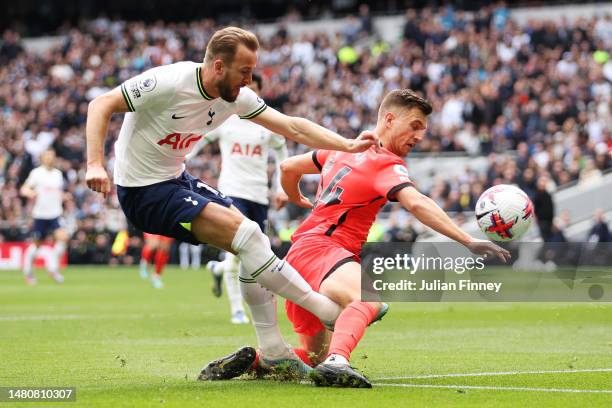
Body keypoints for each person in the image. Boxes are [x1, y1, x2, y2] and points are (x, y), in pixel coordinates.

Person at [85, 27, 377, 371]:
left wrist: (346, 144)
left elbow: (292, 127)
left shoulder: (236, 97)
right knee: (249, 238)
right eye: (244, 72)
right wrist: (94, 164)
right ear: (219, 66)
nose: (249, 80)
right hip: (142, 191)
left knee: (254, 242)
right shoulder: (168, 82)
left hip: (177, 179)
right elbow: (101, 103)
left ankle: (272, 350)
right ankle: (325, 312)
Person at [200, 89, 510, 387]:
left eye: (424, 130)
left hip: (300, 254)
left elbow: (288, 166)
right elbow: (417, 202)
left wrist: (296, 197)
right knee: (368, 299)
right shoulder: (384, 162)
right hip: (325, 251)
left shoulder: (342, 146)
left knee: (310, 358)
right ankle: (339, 361)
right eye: (414, 126)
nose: (419, 136)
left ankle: (259, 362)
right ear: (389, 119)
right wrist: (467, 241)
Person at [187, 73, 289, 325]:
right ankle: (237, 310)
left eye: (253, 91)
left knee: (256, 251)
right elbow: (200, 137)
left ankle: (218, 269)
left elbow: (281, 153)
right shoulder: (225, 120)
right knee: (237, 251)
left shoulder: (267, 123)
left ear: (259, 93)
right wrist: (183, 157)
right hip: (232, 192)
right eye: (244, 90)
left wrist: (281, 187)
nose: (248, 96)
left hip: (258, 195)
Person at [19, 149, 68, 285]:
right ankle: (28, 272)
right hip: (40, 214)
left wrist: (64, 197)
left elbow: (57, 192)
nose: (50, 159)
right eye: (47, 156)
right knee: (37, 246)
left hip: (55, 213)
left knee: (63, 238)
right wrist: (30, 193)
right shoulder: (36, 173)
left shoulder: (58, 174)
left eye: (52, 156)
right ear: (42, 158)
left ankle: (53, 268)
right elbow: (24, 189)